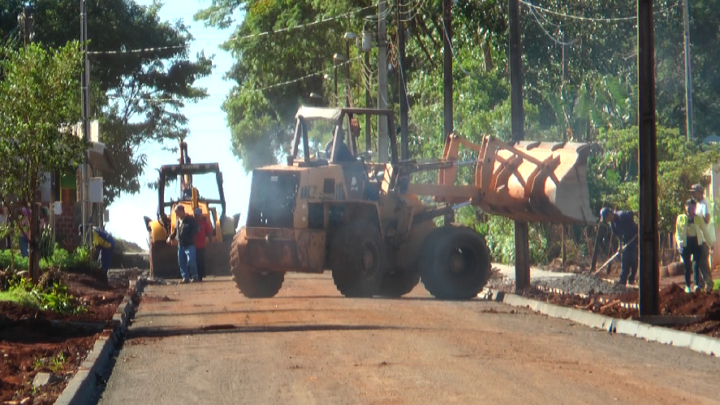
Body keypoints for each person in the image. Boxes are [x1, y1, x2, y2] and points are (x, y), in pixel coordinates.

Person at [675, 199, 710, 293]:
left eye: (693, 208)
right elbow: (677, 232)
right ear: (685, 207)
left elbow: (705, 231)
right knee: (687, 266)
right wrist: (679, 242)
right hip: (685, 243)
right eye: (689, 207)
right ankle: (687, 286)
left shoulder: (698, 218)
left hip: (696, 242)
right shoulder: (680, 218)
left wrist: (710, 243)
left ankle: (696, 285)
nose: (691, 210)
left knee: (696, 264)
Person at [600, 207, 639, 286]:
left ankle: (631, 279)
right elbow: (619, 236)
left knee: (634, 259)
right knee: (625, 259)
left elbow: (635, 213)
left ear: (609, 214)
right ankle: (622, 280)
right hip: (626, 240)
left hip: (635, 237)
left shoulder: (622, 215)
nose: (606, 220)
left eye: (606, 218)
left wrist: (641, 224)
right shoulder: (613, 225)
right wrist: (620, 247)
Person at [690, 184, 715, 292]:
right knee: (697, 262)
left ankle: (709, 283)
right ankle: (700, 284)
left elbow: (707, 219)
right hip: (699, 238)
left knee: (703, 262)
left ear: (700, 192)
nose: (693, 194)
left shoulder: (705, 203)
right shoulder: (698, 204)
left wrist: (698, 218)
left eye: (694, 192)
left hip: (705, 238)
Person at [167, 205, 199, 283]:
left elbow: (195, 230)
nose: (176, 214)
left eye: (177, 212)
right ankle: (186, 278)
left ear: (182, 211)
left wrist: (188, 237)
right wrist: (170, 237)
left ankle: (195, 276)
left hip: (189, 244)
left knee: (191, 260)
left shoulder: (191, 220)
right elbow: (175, 231)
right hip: (180, 245)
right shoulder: (178, 221)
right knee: (181, 262)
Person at [193, 207, 214, 281]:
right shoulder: (192, 223)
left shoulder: (205, 223)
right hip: (192, 246)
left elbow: (209, 233)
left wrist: (211, 242)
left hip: (201, 246)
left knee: (201, 261)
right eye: (196, 214)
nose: (198, 216)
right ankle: (194, 275)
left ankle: (200, 276)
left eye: (199, 214)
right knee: (193, 261)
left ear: (201, 215)